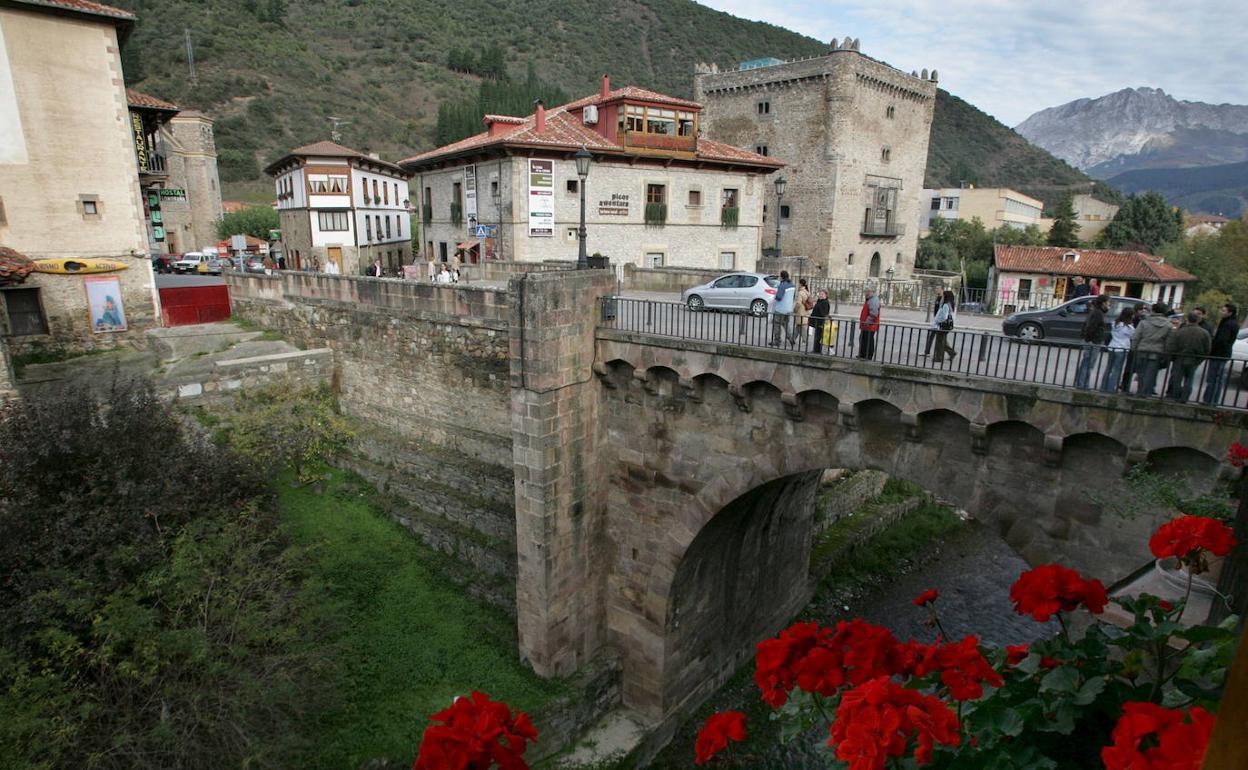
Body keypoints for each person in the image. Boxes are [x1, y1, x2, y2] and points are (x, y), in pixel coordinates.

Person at [1165, 311, 1212, 402]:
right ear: (1198, 320)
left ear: (1187, 319)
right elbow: (1207, 349)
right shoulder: (1204, 333)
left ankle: (1176, 396)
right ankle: (1185, 397)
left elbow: (1171, 346)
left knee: (1177, 379)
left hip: (1179, 358)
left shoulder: (1179, 331)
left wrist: (1172, 357)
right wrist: (1200, 359)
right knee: (1189, 380)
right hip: (1194, 359)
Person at [1201, 303, 1240, 406]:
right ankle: (1212, 400)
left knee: (1214, 378)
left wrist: (1212, 347)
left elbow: (1222, 340)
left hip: (1219, 354)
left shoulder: (1228, 324)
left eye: (1223, 311)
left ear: (1230, 313)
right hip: (1223, 353)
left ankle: (1210, 400)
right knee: (1217, 378)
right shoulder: (1231, 323)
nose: (1221, 312)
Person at [1131, 302, 1172, 396]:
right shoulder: (1168, 325)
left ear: (1153, 310)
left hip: (1142, 349)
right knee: (1151, 374)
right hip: (1157, 351)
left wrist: (1133, 348)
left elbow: (1136, 337)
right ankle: (1146, 392)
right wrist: (1166, 353)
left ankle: (1140, 391)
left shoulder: (1144, 322)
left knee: (1141, 373)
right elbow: (1168, 342)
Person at [1074, 294, 1109, 389]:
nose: (1109, 304)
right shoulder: (1098, 314)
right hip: (1093, 341)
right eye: (1107, 302)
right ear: (1103, 303)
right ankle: (1083, 384)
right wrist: (1089, 340)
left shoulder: (1096, 312)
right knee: (1089, 364)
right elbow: (1091, 327)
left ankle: (1081, 383)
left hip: (1092, 340)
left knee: (1086, 362)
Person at [1101, 307, 1136, 392]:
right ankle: (1111, 388)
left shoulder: (1115, 323)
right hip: (1122, 348)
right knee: (1117, 369)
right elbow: (1133, 336)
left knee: (1109, 367)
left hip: (1112, 346)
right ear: (1130, 316)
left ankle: (1103, 386)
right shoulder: (1129, 328)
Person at [1119, 304, 1145, 391]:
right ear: (1138, 310)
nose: (1143, 311)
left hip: (1132, 345)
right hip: (1133, 345)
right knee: (1130, 367)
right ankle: (1125, 385)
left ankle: (1124, 384)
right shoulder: (1137, 320)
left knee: (1129, 367)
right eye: (1142, 309)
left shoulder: (1138, 319)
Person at [770, 271, 796, 347]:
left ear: (781, 277)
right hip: (788, 309)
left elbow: (779, 297)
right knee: (786, 324)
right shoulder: (792, 285)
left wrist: (774, 296)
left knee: (777, 324)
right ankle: (791, 338)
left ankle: (777, 340)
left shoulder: (782, 285)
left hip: (780, 309)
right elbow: (793, 297)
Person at [930, 290, 957, 364]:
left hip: (943, 325)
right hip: (948, 325)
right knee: (943, 340)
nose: (942, 297)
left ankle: (939, 357)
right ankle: (952, 353)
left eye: (943, 295)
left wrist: (937, 320)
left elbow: (944, 316)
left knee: (939, 341)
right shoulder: (951, 304)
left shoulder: (945, 305)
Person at [857, 286, 881, 360]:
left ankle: (868, 355)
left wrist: (867, 322)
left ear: (872, 292)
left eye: (868, 292)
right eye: (866, 291)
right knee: (863, 339)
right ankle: (863, 354)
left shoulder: (873, 300)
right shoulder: (870, 299)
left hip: (870, 325)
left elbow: (873, 314)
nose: (866, 293)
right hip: (866, 325)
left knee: (868, 341)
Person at [920, 292, 943, 357]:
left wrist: (937, 320)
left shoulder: (943, 302)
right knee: (933, 337)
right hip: (936, 322)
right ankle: (927, 352)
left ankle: (950, 353)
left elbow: (942, 314)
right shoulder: (939, 300)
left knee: (941, 341)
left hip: (939, 323)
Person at [810, 290, 831, 354]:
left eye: (822, 294)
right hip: (817, 321)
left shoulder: (825, 302)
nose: (820, 295)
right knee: (817, 336)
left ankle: (817, 351)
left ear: (826, 295)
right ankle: (816, 350)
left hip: (820, 322)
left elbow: (824, 313)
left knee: (818, 337)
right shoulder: (820, 301)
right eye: (820, 294)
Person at [794, 278, 812, 347]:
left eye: (798, 283)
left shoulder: (800, 293)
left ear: (800, 284)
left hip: (800, 312)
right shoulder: (807, 292)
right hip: (806, 311)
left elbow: (798, 303)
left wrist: (795, 310)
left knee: (802, 327)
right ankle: (793, 339)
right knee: (799, 326)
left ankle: (804, 340)